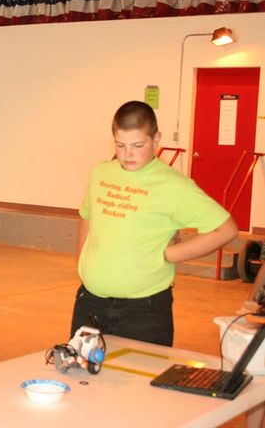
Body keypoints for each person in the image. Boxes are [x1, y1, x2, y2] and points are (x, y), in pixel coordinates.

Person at [71, 100, 237, 346]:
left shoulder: (174, 186)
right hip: (90, 303)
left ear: (156, 139)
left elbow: (226, 229)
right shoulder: (100, 173)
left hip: (144, 311)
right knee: (82, 376)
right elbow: (87, 216)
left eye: (138, 145)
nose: (127, 154)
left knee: (143, 382)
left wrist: (172, 253)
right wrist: (82, 263)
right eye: (120, 145)